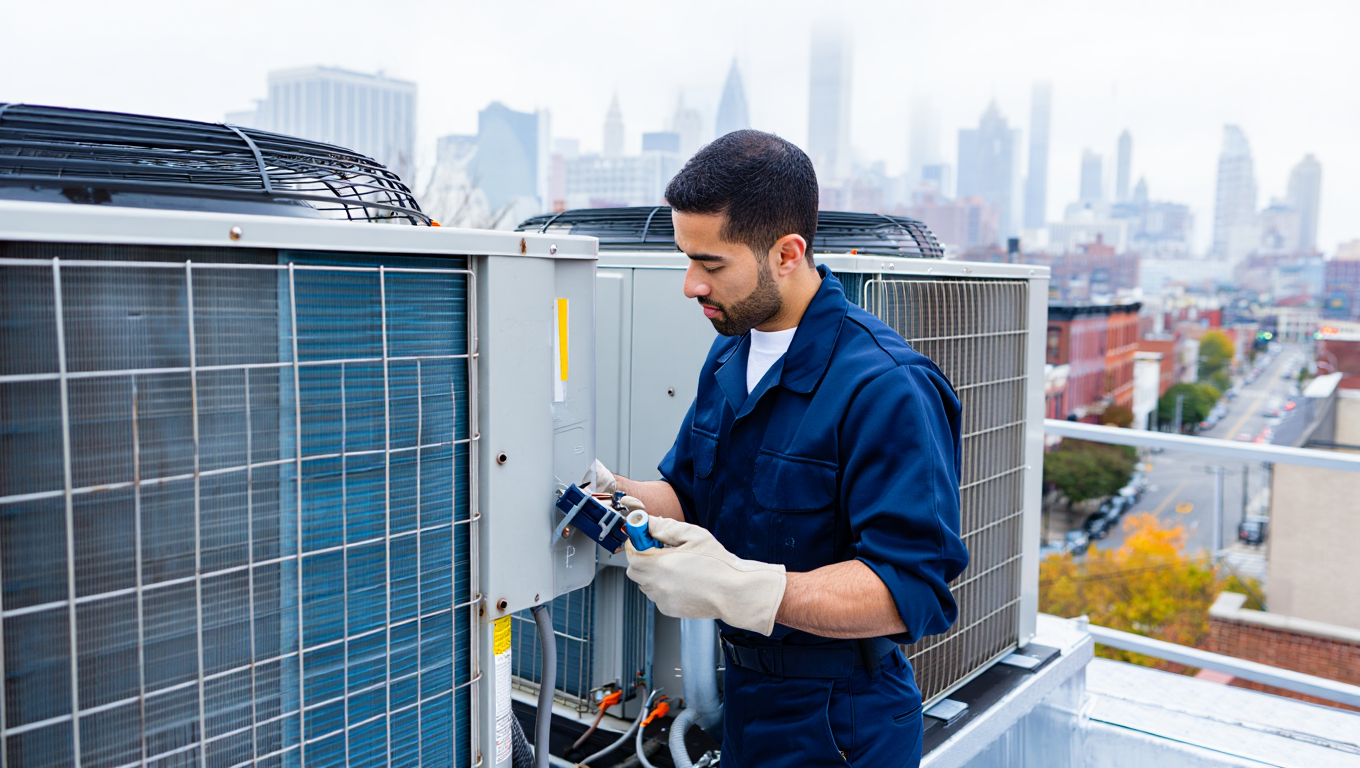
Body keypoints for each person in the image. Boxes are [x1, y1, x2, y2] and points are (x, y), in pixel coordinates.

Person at [590, 130, 968, 767]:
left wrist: (749, 589)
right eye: (687, 259)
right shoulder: (731, 351)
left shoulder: (886, 386)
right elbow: (687, 494)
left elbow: (910, 586)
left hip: (842, 719)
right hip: (748, 699)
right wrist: (608, 492)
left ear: (787, 253)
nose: (690, 285)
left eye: (711, 264)